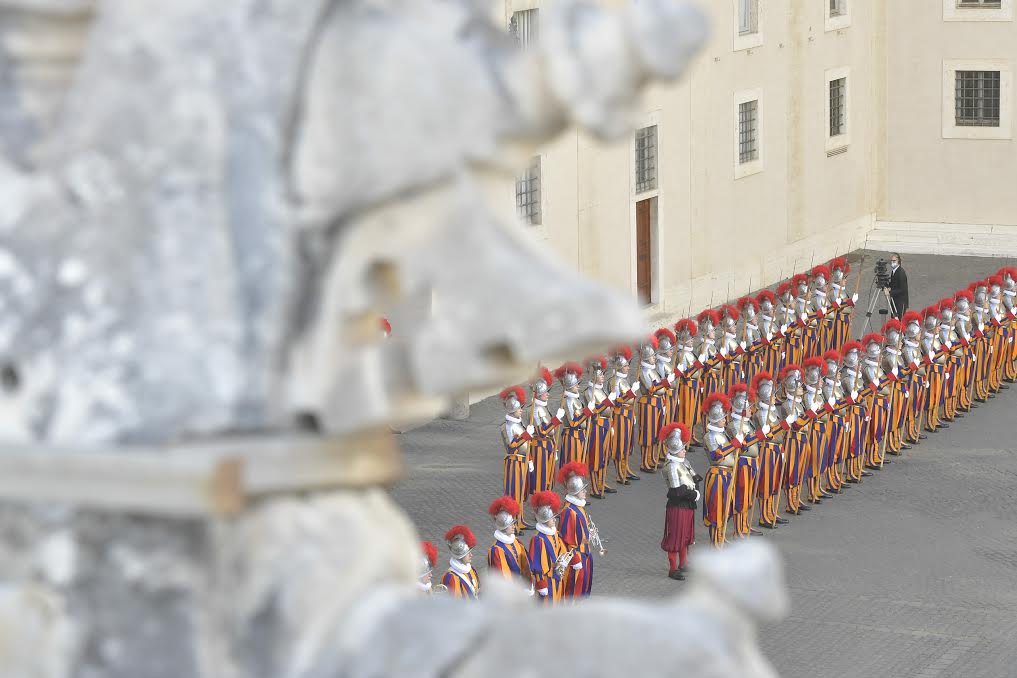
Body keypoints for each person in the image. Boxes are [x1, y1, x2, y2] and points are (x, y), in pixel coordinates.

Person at [658, 422, 700, 580]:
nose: (685, 450)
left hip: (687, 504)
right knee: (676, 537)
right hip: (678, 505)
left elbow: (695, 478)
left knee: (686, 536)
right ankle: (673, 568)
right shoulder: (671, 467)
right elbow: (677, 491)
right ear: (675, 450)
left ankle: (684, 563)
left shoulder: (684, 462)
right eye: (682, 448)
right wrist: (694, 494)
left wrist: (695, 491)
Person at [557, 462, 595, 597]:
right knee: (574, 592)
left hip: (586, 553)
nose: (585, 492)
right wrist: (574, 560)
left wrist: (588, 533)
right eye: (582, 490)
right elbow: (565, 540)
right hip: (577, 557)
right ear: (575, 491)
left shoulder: (579, 507)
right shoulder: (568, 511)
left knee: (584, 589)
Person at [499, 385, 533, 530]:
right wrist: (526, 435)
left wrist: (529, 459)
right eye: (519, 409)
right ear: (513, 410)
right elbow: (512, 446)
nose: (521, 410)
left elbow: (526, 444)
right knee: (515, 492)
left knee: (522, 492)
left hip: (522, 460)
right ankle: (514, 522)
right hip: (514, 462)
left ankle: (520, 519)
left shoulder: (519, 423)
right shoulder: (507, 427)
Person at [528, 491, 569, 605]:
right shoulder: (538, 539)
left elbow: (561, 549)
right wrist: (541, 583)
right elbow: (536, 565)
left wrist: (565, 559)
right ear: (545, 520)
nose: (555, 520)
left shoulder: (554, 533)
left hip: (557, 575)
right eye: (552, 518)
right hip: (547, 579)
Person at [486, 496, 532, 587]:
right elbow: (502, 576)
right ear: (504, 527)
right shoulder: (496, 550)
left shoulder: (516, 541)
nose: (514, 526)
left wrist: (528, 580)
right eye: (511, 525)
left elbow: (526, 562)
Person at [441, 525, 480, 599]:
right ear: (460, 555)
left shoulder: (472, 570)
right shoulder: (450, 578)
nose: (471, 555)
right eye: (467, 553)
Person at [884, 252, 908, 319]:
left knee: (899, 320)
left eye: (894, 261)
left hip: (900, 302)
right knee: (893, 318)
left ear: (899, 261)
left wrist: (890, 292)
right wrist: (888, 287)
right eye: (891, 261)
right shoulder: (893, 271)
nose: (892, 262)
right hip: (894, 300)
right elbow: (893, 284)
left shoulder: (901, 273)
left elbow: (902, 289)